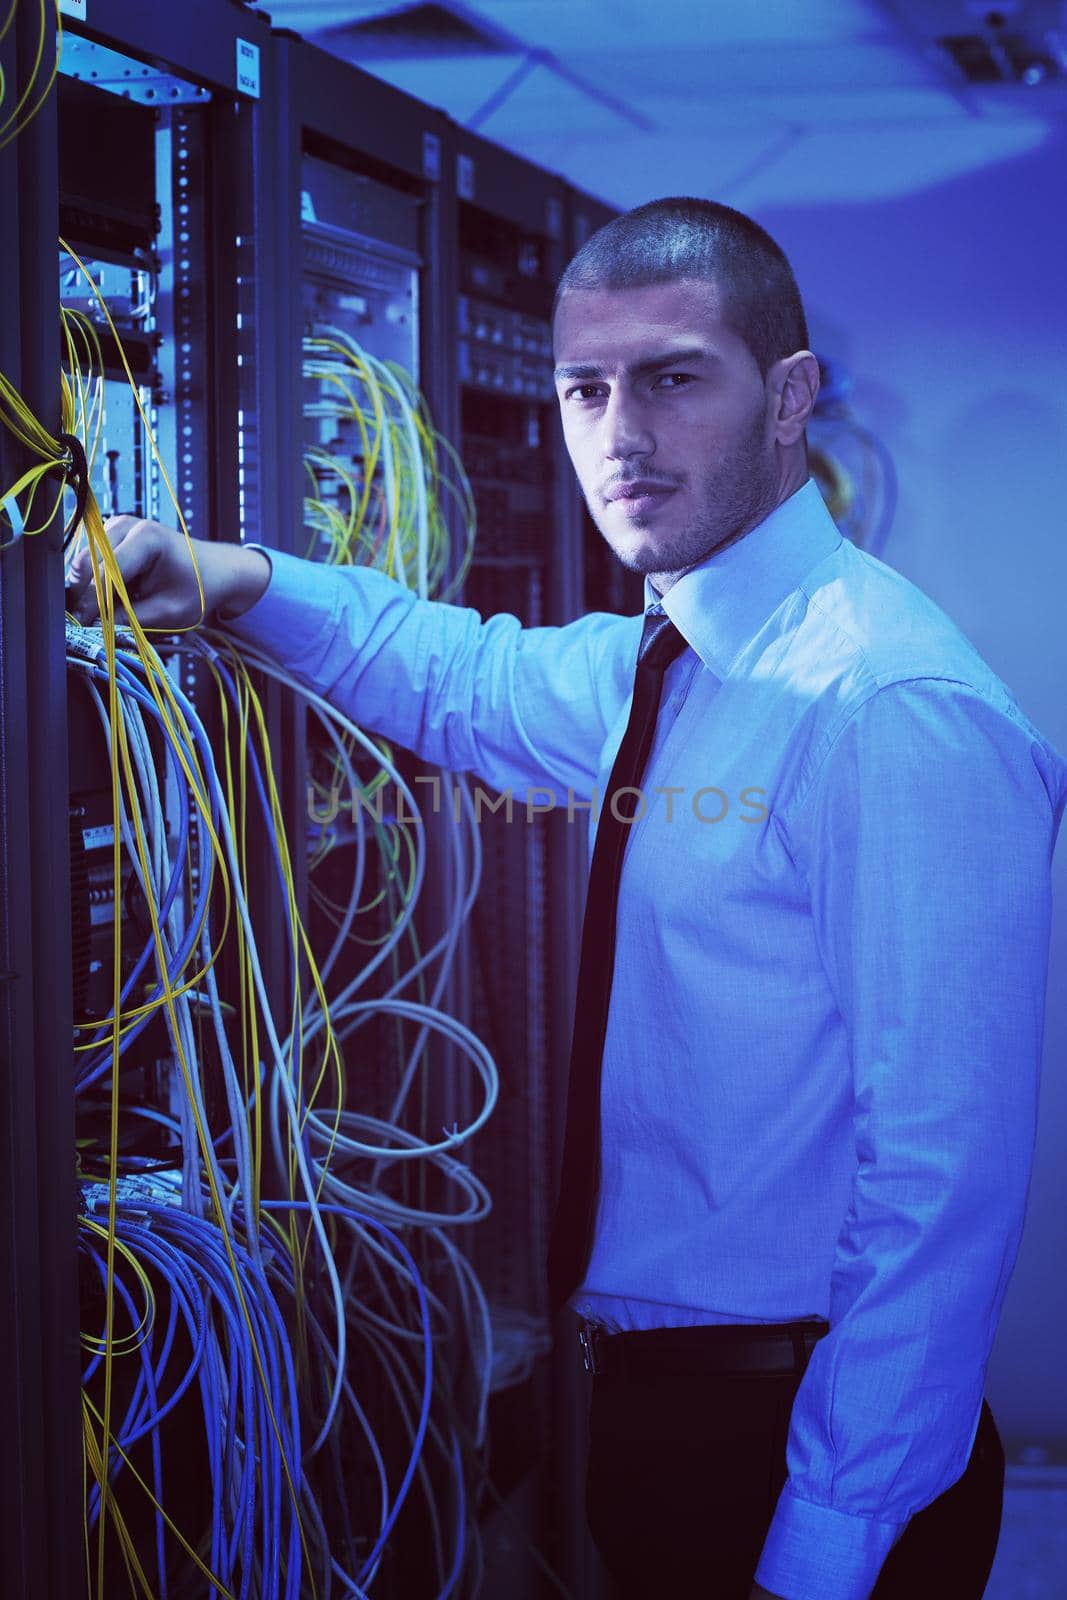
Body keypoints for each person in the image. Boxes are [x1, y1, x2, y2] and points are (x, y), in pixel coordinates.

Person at [70, 197, 1067, 1600]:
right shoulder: (671, 663)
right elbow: (459, 675)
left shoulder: (889, 706)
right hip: (668, 1413)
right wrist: (232, 579)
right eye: (582, 388)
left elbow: (943, 1185)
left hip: (804, 1441)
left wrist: (826, 1546)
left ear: (790, 398)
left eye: (672, 378)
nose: (619, 436)